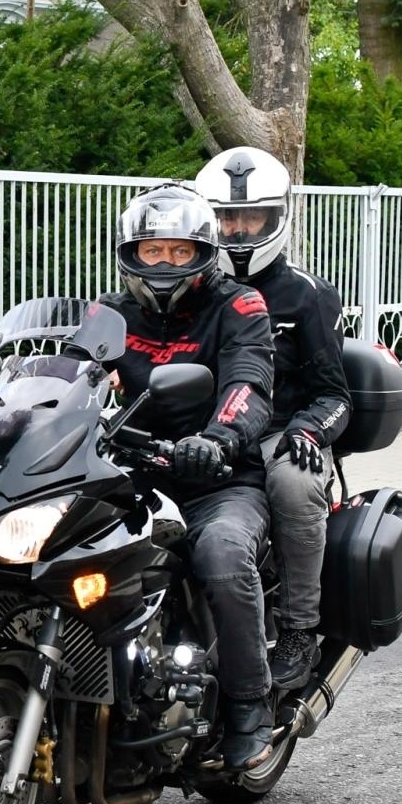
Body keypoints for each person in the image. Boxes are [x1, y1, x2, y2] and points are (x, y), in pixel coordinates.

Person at [99, 183, 278, 770]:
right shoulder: (107, 314)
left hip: (216, 480)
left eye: (179, 252)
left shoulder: (239, 305)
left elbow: (248, 382)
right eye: (154, 251)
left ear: (202, 253)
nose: (165, 264)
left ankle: (251, 707)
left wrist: (216, 438)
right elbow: (63, 373)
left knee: (224, 557)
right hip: (130, 475)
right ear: (133, 253)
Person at [195, 146, 351, 690]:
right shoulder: (194, 293)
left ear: (277, 217)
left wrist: (308, 432)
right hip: (204, 433)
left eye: (251, 218)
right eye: (226, 218)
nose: (237, 231)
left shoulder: (307, 296)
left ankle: (299, 630)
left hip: (279, 435)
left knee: (292, 480)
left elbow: (335, 395)